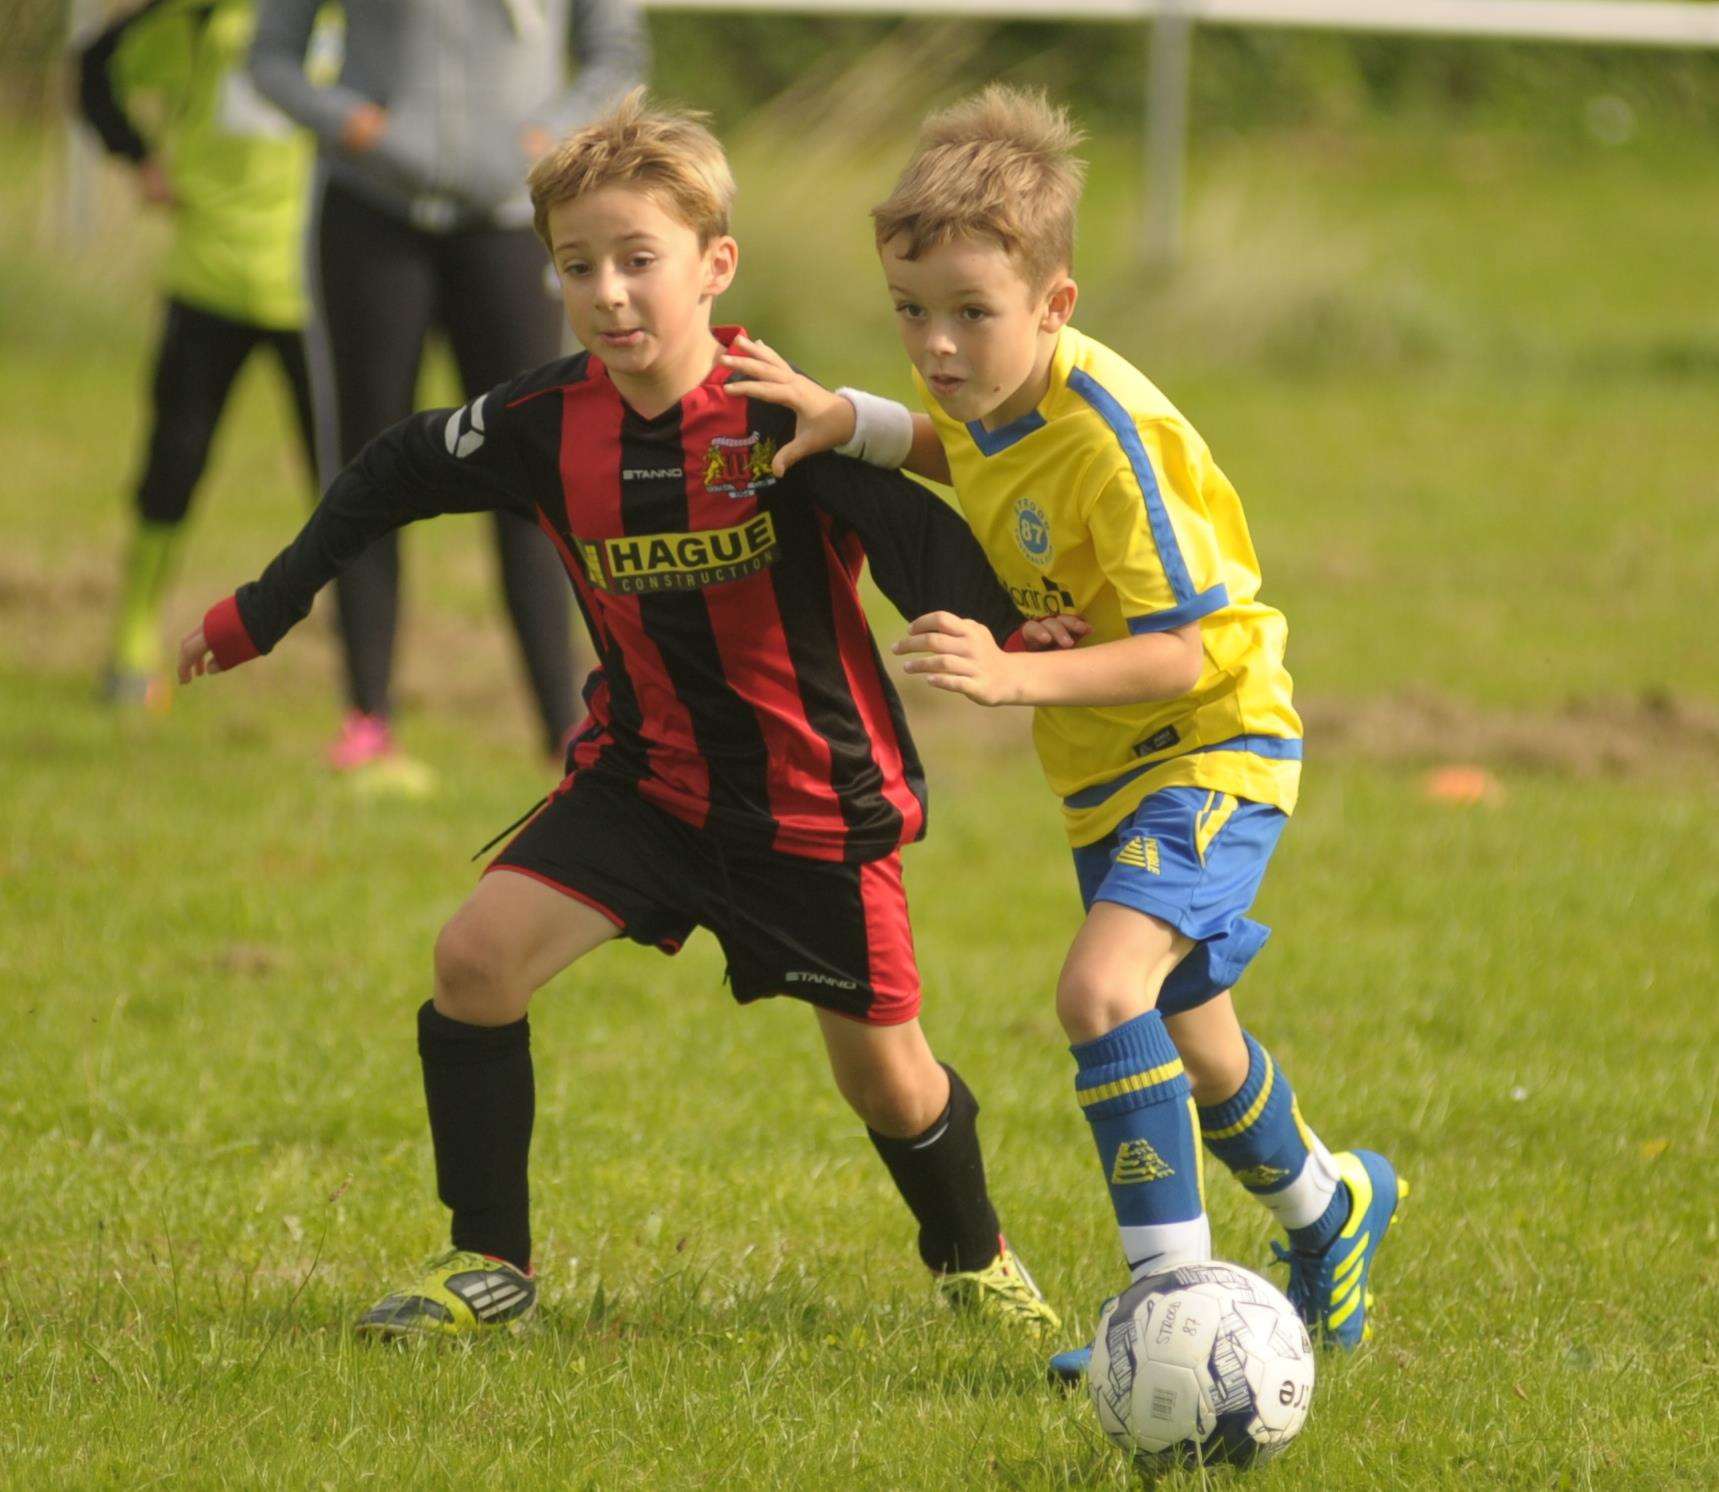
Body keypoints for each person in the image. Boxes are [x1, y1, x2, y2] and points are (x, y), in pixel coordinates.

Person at [176, 93, 1078, 1340]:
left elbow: (927, 542)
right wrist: (263, 610)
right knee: (474, 963)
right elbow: (390, 467)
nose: (608, 294)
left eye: (638, 261)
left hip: (810, 806)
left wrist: (1024, 631)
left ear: (715, 266)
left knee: (885, 1076)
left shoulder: (786, 421)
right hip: (641, 786)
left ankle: (977, 1262)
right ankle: (488, 1261)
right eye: (577, 266)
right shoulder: (544, 427)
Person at [720, 85, 1405, 1368]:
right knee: (1198, 1040)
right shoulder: (995, 395)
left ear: (1056, 305)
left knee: (1098, 993)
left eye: (971, 313)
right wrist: (851, 417)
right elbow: (963, 446)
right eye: (910, 311)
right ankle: (1331, 1202)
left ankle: (1172, 1316)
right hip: (1107, 775)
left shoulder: (1113, 439)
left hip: (1212, 748)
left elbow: (1193, 645)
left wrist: (1010, 673)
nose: (936, 345)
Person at [247, 0, 649, 776]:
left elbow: (616, 52)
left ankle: (566, 729)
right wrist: (357, 127)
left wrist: (548, 139)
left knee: (535, 471)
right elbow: (272, 58)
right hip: (370, 212)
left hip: (513, 223)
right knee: (366, 471)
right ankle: (367, 722)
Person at [77, 0, 317, 708]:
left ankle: (364, 681)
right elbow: (96, 67)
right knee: (173, 463)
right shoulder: (201, 17)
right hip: (209, 276)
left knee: (352, 480)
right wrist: (138, 156)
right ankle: (131, 636)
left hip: (320, 288)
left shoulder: (360, 20)